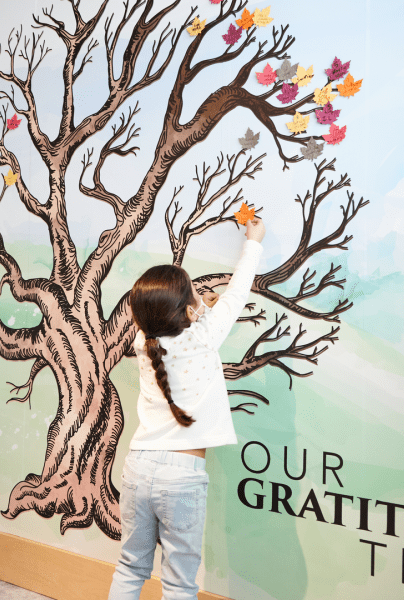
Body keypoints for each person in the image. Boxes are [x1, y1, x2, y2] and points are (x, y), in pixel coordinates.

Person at [108, 217, 266, 600]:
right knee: (179, 584)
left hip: (137, 467)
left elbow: (174, 318)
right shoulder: (204, 336)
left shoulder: (143, 343)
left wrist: (199, 306)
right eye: (195, 290)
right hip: (181, 476)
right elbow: (237, 289)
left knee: (130, 567)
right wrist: (254, 241)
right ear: (188, 307)